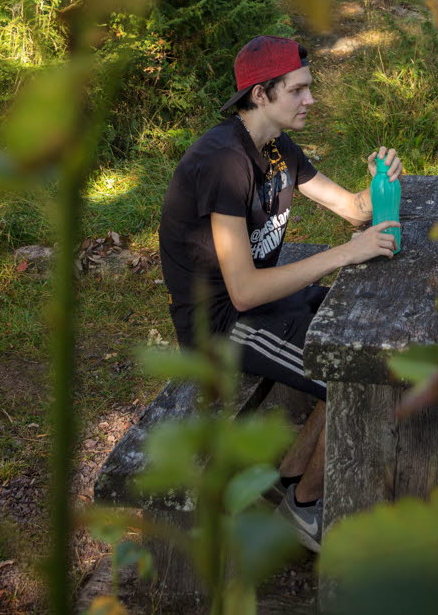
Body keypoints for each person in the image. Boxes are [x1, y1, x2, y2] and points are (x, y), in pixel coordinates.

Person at [158, 35, 401, 552]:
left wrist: (379, 182)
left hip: (260, 304)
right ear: (261, 94)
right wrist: (345, 254)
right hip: (221, 326)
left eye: (309, 87)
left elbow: (353, 209)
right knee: (360, 376)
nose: (311, 99)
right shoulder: (224, 162)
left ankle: (291, 475)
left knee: (364, 336)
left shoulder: (276, 147)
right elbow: (243, 292)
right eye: (298, 90)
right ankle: (306, 508)